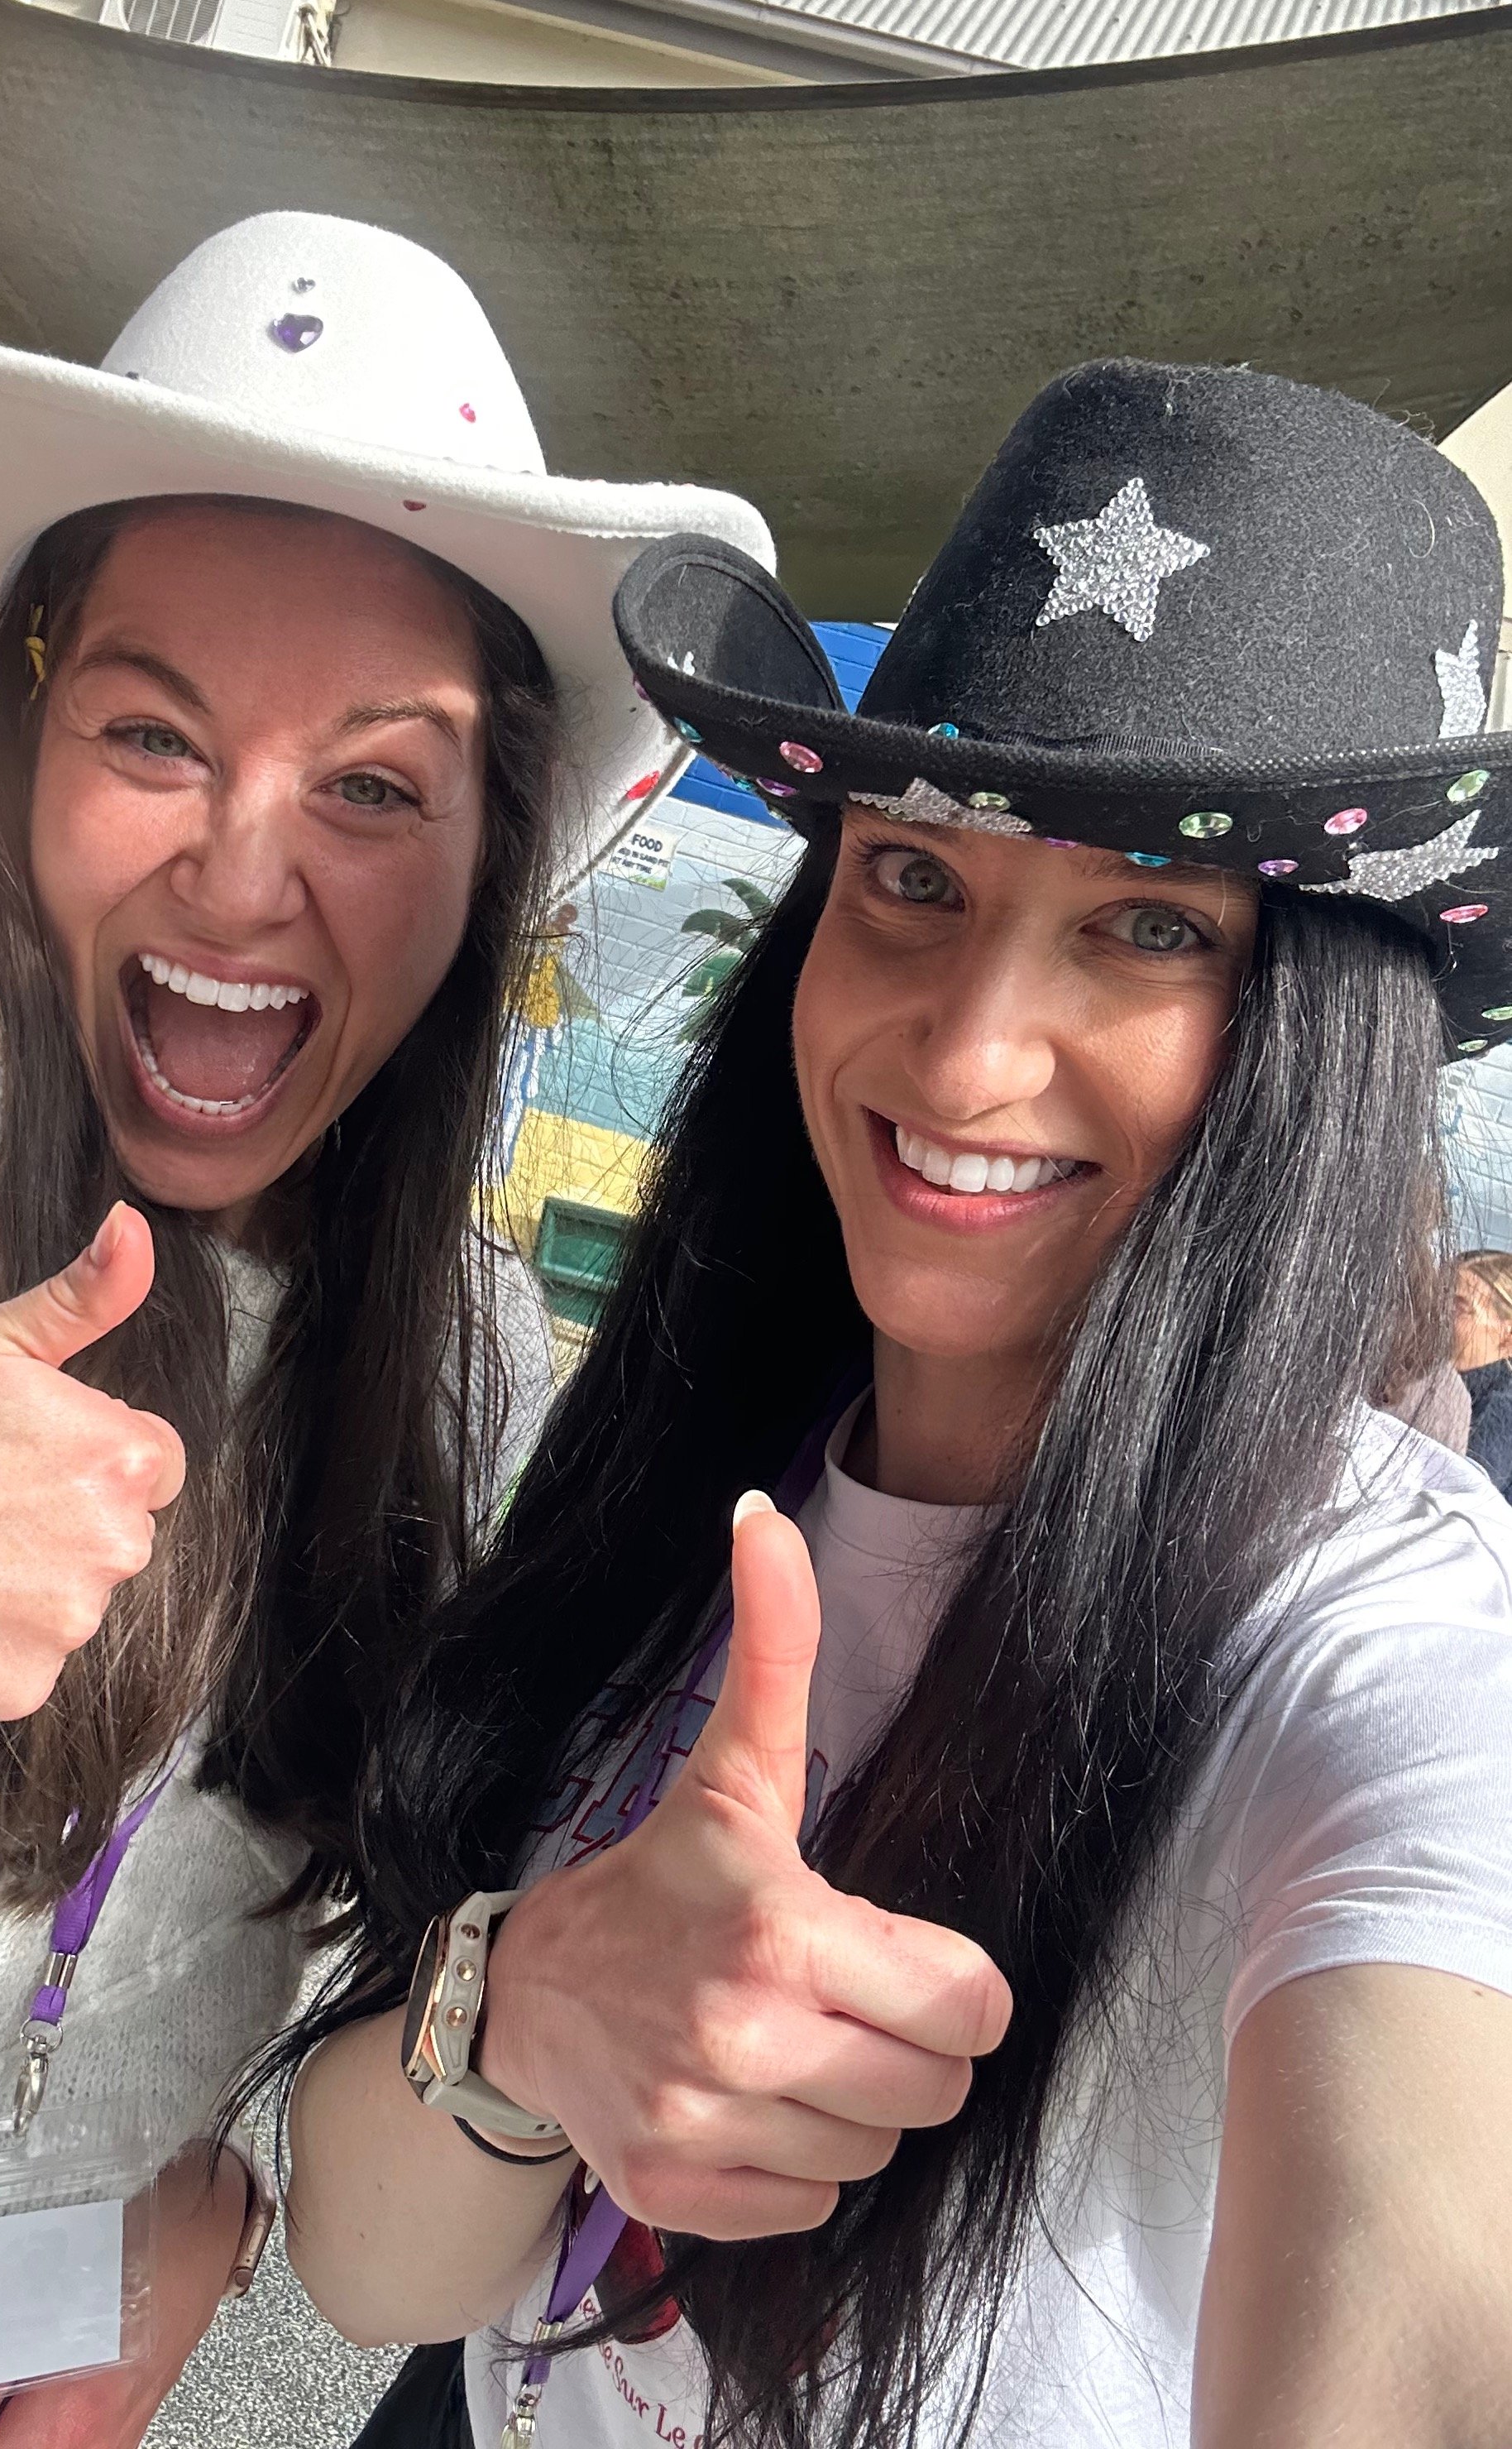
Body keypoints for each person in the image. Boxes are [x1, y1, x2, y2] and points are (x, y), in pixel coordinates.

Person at [0, 209, 768, 2449]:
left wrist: (175, 2201)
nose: (246, 873)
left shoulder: (453, 1354)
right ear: (23, 739)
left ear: (487, 850)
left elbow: (274, 1958)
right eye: (156, 731)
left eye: (370, 785)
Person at [285, 359, 1512, 2449]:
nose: (958, 1063)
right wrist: (526, 2005)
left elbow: (1419, 2251)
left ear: (1311, 1033)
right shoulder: (677, 1472)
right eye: (912, 881)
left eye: (1141, 928)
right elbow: (369, 2267)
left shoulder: (1382, 1648)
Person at [1454, 1248, 1512, 1490]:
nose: (1433, 1314)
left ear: (1507, 1336)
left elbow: (1458, 1495)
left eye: (1458, 1307)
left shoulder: (1500, 1409)